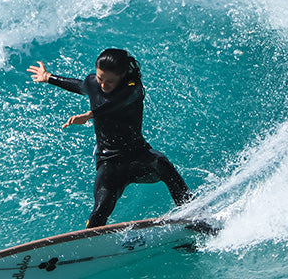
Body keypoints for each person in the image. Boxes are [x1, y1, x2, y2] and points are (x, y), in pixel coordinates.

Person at [28, 48, 192, 229]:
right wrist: (48, 77)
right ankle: (90, 245)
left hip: (138, 154)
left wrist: (90, 114)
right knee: (100, 208)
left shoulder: (132, 89)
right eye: (100, 79)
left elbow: (114, 104)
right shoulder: (94, 83)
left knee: (163, 165)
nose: (103, 85)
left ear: (122, 76)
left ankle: (192, 216)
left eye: (110, 81)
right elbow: (81, 85)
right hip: (109, 160)